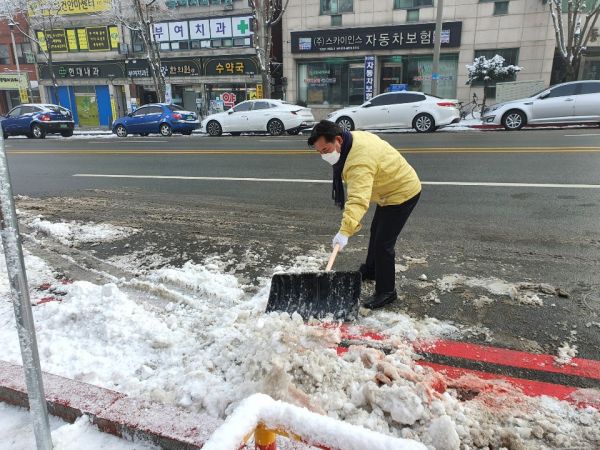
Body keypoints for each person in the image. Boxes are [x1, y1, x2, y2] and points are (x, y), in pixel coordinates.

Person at [308, 120, 421, 309]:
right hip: (388, 190)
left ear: (338, 140)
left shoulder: (359, 161)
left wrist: (345, 232)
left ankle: (386, 291)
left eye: (325, 150)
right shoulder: (350, 140)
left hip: (402, 192)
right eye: (319, 152)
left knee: (383, 244)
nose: (323, 155)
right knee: (376, 232)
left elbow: (358, 200)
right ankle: (371, 270)